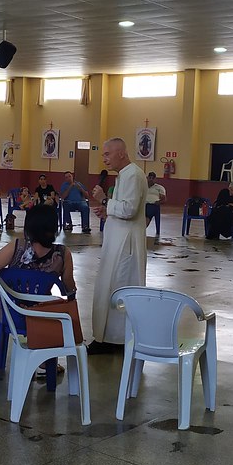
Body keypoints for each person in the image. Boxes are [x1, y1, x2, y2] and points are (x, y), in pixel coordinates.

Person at [0, 204, 78, 376]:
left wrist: (4, 273)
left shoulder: (18, 247)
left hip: (13, 315)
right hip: (42, 317)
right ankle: (45, 361)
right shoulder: (62, 253)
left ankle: (1, 316)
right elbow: (69, 288)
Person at [89, 137, 146, 354]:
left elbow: (129, 210)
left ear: (121, 153)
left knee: (120, 290)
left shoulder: (133, 174)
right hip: (116, 242)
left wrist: (105, 200)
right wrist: (107, 212)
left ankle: (118, 341)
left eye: (107, 154)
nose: (104, 158)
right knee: (109, 287)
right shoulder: (123, 175)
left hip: (126, 247)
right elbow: (120, 209)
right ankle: (106, 338)